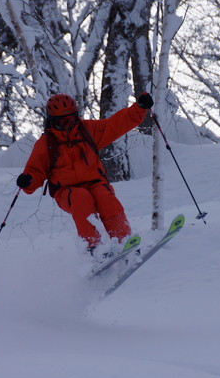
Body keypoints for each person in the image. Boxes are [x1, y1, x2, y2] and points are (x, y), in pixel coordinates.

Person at [16, 92, 154, 257]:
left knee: (106, 198)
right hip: (65, 191)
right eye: (61, 122)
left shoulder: (87, 131)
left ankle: (123, 240)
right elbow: (35, 172)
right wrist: (28, 180)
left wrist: (139, 108)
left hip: (95, 183)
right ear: (51, 121)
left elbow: (116, 124)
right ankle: (93, 248)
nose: (67, 125)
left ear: (76, 117)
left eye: (70, 120)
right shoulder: (46, 144)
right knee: (81, 198)